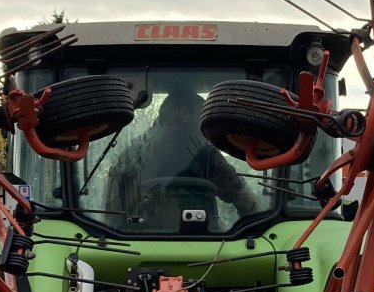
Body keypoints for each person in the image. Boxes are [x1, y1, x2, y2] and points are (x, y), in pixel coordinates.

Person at [107, 90, 260, 220]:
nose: (187, 137)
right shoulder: (134, 156)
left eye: (195, 131)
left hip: (209, 242)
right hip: (138, 241)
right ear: (160, 124)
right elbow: (111, 213)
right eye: (178, 128)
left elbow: (246, 200)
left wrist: (248, 232)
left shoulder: (206, 156)